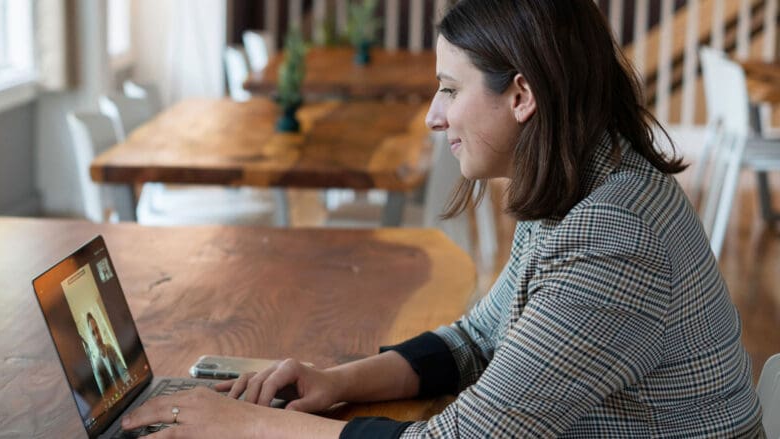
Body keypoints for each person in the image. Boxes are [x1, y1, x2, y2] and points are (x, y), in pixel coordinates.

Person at [120, 1, 765, 437]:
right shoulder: (584, 180)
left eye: (450, 89)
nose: (433, 115)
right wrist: (332, 382)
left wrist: (247, 427)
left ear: (520, 96)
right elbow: (476, 339)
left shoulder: (616, 235)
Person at [84, 312, 128, 396]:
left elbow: (123, 371)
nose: (97, 336)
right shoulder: (97, 366)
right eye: (93, 333)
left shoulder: (110, 348)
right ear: (91, 338)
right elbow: (103, 394)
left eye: (97, 330)